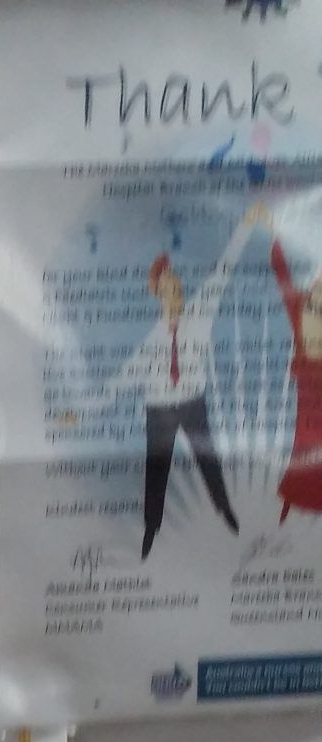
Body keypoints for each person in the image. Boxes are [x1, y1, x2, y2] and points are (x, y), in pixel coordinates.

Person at [111, 206, 266, 559]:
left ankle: (224, 508)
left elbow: (223, 270)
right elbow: (118, 383)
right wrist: (79, 411)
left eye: (178, 285)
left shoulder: (200, 314)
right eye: (169, 287)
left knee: (208, 458)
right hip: (159, 409)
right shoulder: (150, 343)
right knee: (157, 470)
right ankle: (152, 527)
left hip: (193, 402)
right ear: (158, 294)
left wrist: (245, 225)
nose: (177, 290)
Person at [266, 229, 322, 518]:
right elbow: (281, 272)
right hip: (307, 437)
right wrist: (277, 231)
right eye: (314, 306)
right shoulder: (300, 322)